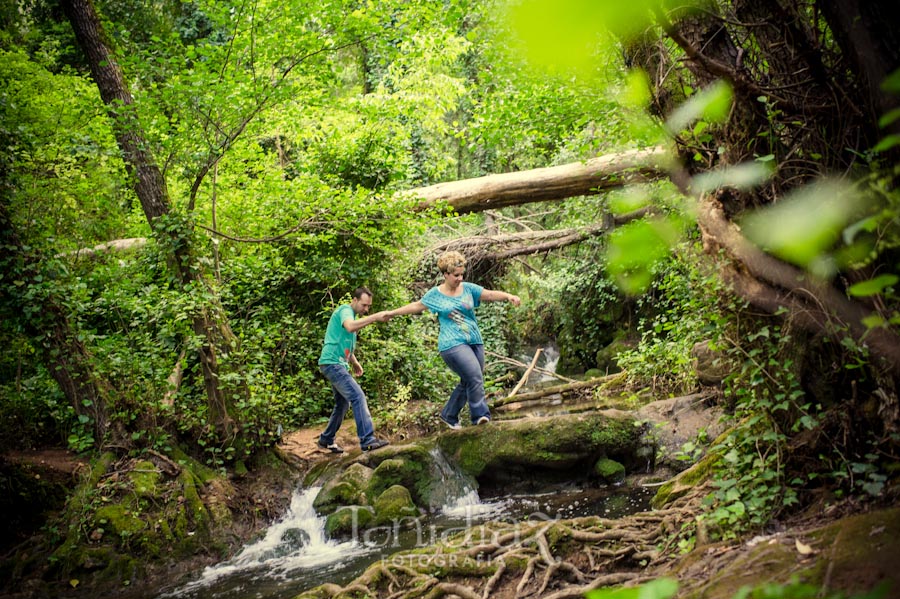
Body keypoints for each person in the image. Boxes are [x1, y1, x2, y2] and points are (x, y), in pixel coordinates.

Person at [386, 251, 521, 429]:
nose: (460, 278)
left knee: (469, 380)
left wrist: (508, 296)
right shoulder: (436, 294)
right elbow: (417, 306)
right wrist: (392, 313)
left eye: (461, 274)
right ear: (445, 275)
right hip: (452, 343)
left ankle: (449, 415)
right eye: (456, 275)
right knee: (475, 376)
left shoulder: (468, 289)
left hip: (474, 340)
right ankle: (480, 416)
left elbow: (488, 295)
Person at [317, 287, 391, 453]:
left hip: (337, 363)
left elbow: (345, 345)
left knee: (343, 404)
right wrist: (375, 317)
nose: (366, 309)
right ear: (355, 300)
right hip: (332, 363)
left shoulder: (353, 316)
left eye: (369, 307)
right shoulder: (345, 310)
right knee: (358, 397)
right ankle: (368, 440)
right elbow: (350, 327)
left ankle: (326, 439)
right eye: (364, 305)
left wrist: (355, 363)